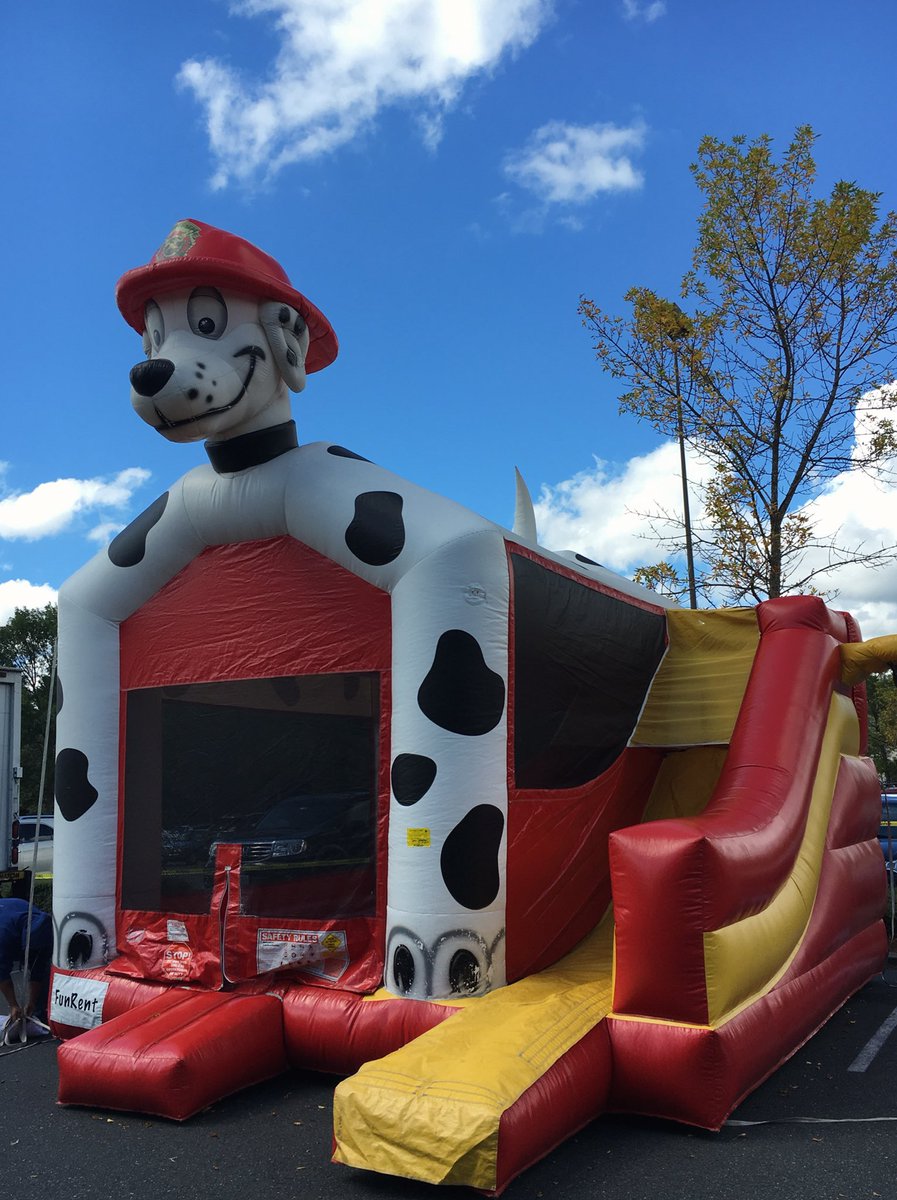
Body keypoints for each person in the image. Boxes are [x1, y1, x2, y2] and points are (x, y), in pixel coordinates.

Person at [0, 897, 53, 1044]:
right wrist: (13, 1004)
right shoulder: (4, 936)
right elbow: (2, 972)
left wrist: (32, 1002)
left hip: (17, 924)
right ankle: (19, 1013)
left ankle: (36, 1015)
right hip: (7, 928)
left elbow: (39, 969)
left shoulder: (45, 926)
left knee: (43, 968)